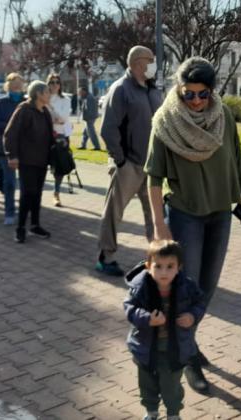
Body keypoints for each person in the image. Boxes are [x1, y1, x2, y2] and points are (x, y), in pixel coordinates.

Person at [145, 57, 241, 393]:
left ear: (212, 91)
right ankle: (186, 356)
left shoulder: (222, 118)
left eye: (202, 94)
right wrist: (158, 227)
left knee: (206, 287)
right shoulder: (165, 122)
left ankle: (186, 342)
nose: (195, 101)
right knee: (186, 290)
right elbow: (153, 177)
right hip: (184, 214)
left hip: (220, 212)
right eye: (188, 94)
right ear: (178, 91)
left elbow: (236, 159)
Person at [95, 45, 163, 276]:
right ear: (136, 63)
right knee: (114, 211)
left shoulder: (153, 90)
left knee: (155, 214)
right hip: (128, 165)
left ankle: (159, 259)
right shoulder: (121, 89)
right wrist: (121, 160)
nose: (154, 64)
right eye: (150, 60)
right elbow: (108, 129)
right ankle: (106, 257)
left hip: (152, 165)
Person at [124, 240, 205, 420]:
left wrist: (192, 316)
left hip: (174, 349)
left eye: (170, 266)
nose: (164, 272)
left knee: (171, 387)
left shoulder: (187, 286)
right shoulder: (140, 286)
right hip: (146, 349)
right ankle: (151, 411)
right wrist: (147, 318)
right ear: (148, 266)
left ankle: (173, 413)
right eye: (158, 266)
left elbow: (200, 302)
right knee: (147, 384)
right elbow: (129, 308)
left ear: (179, 267)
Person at [4, 81, 54, 243]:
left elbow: (48, 134)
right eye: (47, 92)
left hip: (42, 160)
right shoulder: (24, 110)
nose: (49, 94)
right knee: (27, 194)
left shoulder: (44, 111)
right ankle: (20, 228)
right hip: (27, 160)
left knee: (37, 194)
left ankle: (35, 225)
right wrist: (12, 155)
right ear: (38, 94)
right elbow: (11, 133)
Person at [0, 72, 26, 225]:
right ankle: (9, 212)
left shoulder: (27, 102)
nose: (17, 88)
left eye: (19, 85)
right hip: (6, 149)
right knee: (9, 182)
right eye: (14, 85)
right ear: (8, 86)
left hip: (25, 149)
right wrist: (12, 128)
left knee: (25, 184)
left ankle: (25, 210)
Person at [46, 73, 73, 207]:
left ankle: (56, 193)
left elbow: (62, 118)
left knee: (59, 166)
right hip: (43, 135)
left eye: (57, 82)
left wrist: (50, 108)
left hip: (60, 136)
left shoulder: (65, 99)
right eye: (52, 82)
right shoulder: (43, 98)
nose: (55, 84)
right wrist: (54, 119)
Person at [77, 86, 101, 151]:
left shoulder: (89, 98)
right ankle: (83, 145)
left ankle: (97, 147)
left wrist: (87, 118)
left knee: (91, 133)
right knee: (85, 133)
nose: (79, 93)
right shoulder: (87, 97)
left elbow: (89, 110)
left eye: (80, 92)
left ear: (84, 92)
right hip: (89, 118)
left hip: (89, 118)